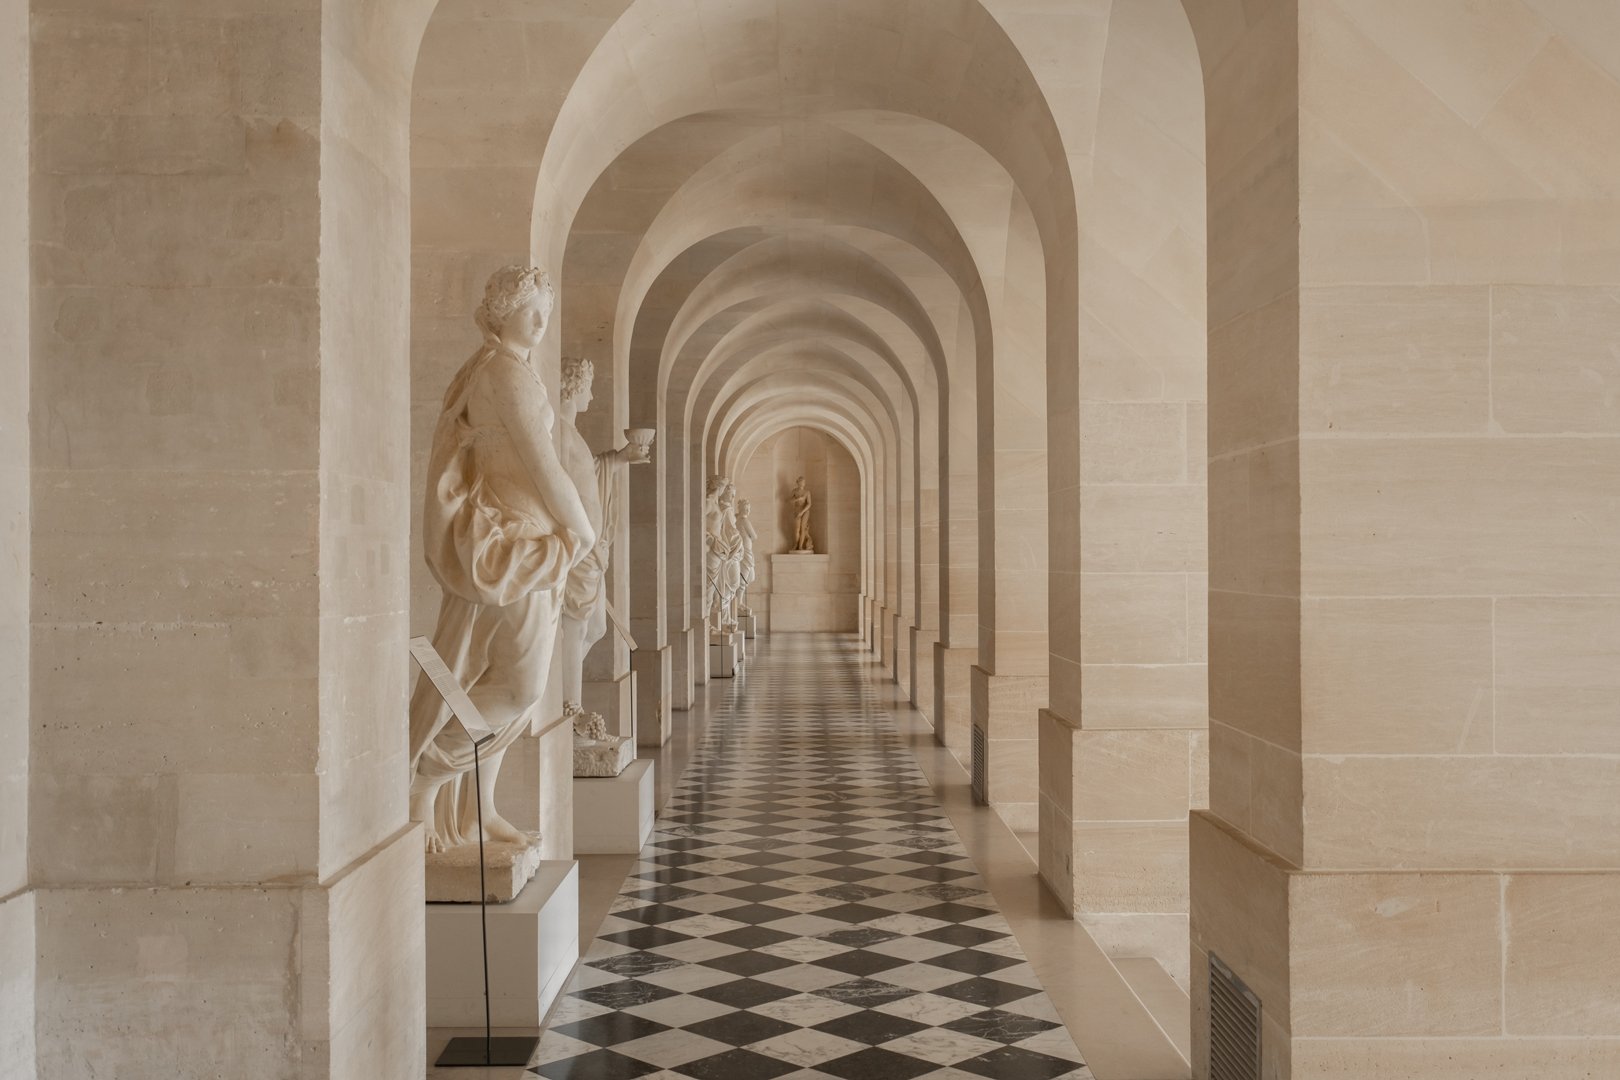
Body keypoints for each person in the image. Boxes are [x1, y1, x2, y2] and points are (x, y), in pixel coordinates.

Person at [406, 265, 593, 853]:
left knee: (501, 683)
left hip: (526, 540)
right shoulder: (504, 375)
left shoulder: (503, 371)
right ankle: (426, 776)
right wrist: (580, 529)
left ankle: (479, 809)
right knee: (518, 686)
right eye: (530, 309)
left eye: (545, 311)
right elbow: (543, 464)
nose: (540, 322)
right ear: (502, 311)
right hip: (516, 544)